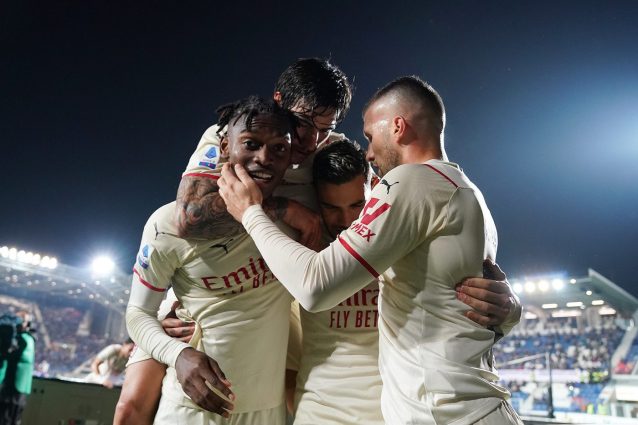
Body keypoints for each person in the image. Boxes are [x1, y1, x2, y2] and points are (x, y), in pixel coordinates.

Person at [219, 76, 524, 424]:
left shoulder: (410, 181)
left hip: (447, 414)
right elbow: (469, 306)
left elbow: (315, 286)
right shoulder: (467, 192)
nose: (369, 152)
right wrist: (511, 310)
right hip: (461, 409)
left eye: (369, 136)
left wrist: (251, 213)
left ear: (398, 127)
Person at [125, 96, 301, 424]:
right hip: (190, 411)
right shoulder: (168, 225)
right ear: (223, 147)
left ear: (291, 156)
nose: (264, 158)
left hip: (267, 413)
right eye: (251, 144)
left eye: (279, 148)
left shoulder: (299, 220)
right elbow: (137, 314)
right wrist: (177, 354)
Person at [0, 311, 35, 425]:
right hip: (11, 386)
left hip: (15, 387)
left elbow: (12, 355)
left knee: (9, 417)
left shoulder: (25, 339)